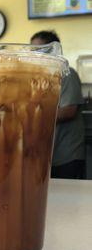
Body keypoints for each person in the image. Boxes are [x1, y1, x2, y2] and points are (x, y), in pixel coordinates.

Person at [30, 30, 86, 179]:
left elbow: (69, 110)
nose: (35, 55)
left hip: (68, 155)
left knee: (70, 199)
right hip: (48, 156)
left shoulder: (66, 74)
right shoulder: (37, 78)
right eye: (33, 50)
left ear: (54, 51)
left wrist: (32, 117)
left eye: (40, 50)